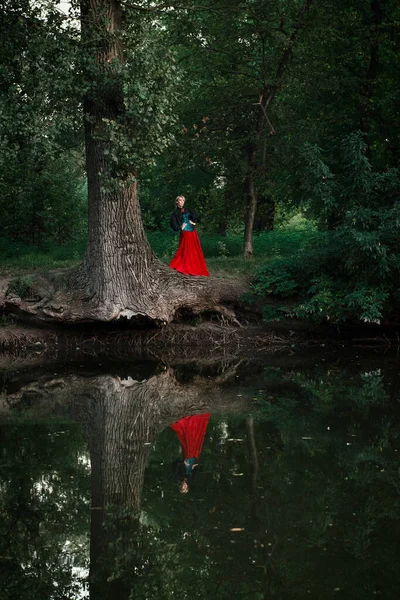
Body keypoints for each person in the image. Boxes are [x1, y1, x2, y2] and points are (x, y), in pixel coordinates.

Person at [169, 195, 209, 276]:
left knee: (194, 249)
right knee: (185, 249)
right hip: (185, 232)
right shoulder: (175, 213)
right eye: (180, 200)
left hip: (192, 232)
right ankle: (185, 266)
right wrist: (180, 227)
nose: (181, 202)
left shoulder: (188, 210)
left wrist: (194, 222)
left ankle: (194, 266)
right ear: (177, 202)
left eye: (183, 200)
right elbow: (173, 224)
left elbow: (197, 217)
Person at [171, 413, 211, 494]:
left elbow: (176, 463)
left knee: (189, 442)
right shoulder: (192, 479)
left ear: (180, 486)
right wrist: (195, 465)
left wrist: (183, 463)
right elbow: (200, 470)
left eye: (182, 487)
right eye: (185, 488)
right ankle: (195, 422)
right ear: (187, 487)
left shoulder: (178, 477)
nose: (184, 486)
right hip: (194, 458)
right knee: (195, 440)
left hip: (187, 457)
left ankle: (189, 423)